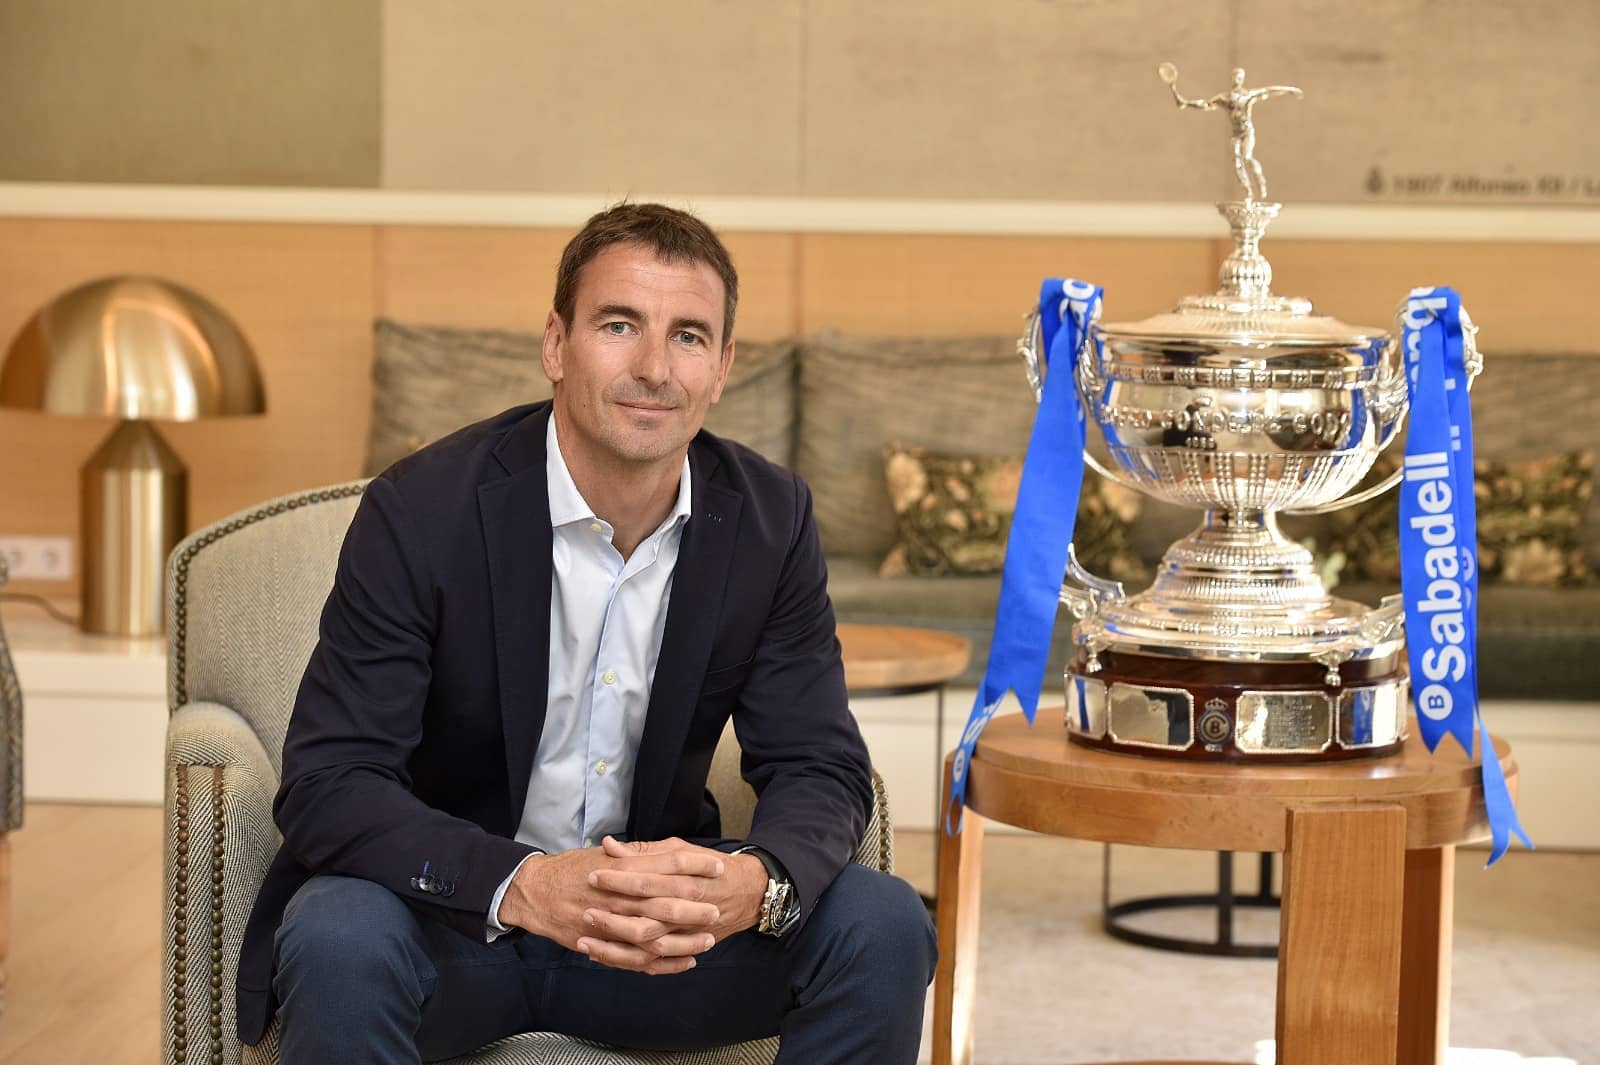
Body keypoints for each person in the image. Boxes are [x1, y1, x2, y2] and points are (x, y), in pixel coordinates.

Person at [237, 203, 937, 1064]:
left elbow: (818, 760)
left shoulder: (769, 520)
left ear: (721, 369)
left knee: (883, 922)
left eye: (687, 337)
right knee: (336, 933)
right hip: (451, 926)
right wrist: (524, 885)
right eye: (619, 324)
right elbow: (330, 780)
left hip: (653, 947)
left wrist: (754, 883)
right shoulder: (421, 510)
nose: (654, 367)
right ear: (556, 345)